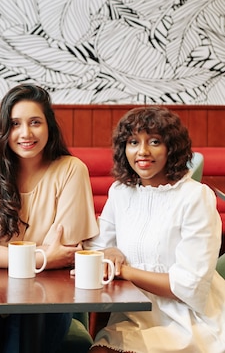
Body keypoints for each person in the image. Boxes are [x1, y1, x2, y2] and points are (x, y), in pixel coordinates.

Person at [0, 83, 98, 353]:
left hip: (47, 294)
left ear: (49, 126)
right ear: (5, 129)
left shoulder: (71, 170)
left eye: (35, 122)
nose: (25, 133)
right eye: (15, 124)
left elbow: (65, 253)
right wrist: (42, 258)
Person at [86, 106, 225, 353]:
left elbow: (188, 286)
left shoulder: (195, 196)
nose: (142, 151)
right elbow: (95, 247)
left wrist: (125, 271)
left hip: (189, 319)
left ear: (172, 148)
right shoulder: (120, 192)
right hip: (131, 315)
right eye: (133, 142)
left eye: (154, 141)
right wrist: (110, 251)